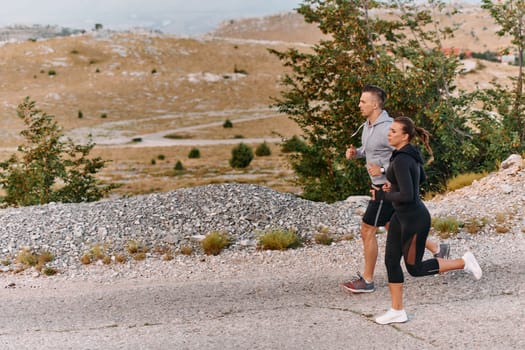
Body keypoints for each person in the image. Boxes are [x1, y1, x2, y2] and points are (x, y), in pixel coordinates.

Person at [371, 116, 482, 325]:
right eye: (390, 130)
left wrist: (383, 196)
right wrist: (392, 185)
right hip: (400, 217)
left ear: (404, 136)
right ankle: (397, 311)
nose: (389, 133)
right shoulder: (404, 154)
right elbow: (420, 178)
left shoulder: (403, 159)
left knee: (415, 268)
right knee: (391, 261)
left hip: (414, 220)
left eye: (393, 131)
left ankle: (464, 262)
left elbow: (408, 196)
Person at [342, 85, 448, 293]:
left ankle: (367, 280)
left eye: (363, 101)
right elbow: (372, 150)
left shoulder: (388, 128)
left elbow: (406, 158)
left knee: (367, 229)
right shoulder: (368, 126)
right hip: (380, 186)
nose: (359, 105)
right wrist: (357, 153)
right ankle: (437, 248)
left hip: (388, 189)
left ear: (374, 104)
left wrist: (381, 168)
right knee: (393, 227)